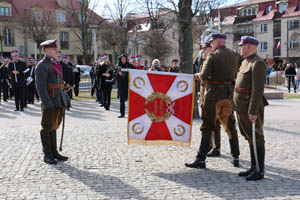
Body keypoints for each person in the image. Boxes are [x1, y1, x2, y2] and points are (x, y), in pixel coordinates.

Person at [185, 33, 240, 169]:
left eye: (212, 42)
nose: (211, 45)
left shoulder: (212, 56)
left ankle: (201, 159)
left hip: (213, 94)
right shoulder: (234, 55)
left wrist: (197, 75)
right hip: (228, 94)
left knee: (207, 126)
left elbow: (203, 76)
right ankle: (236, 156)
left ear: (216, 42)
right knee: (230, 125)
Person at [233, 36, 269, 181]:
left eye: (241, 46)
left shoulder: (258, 63)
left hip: (250, 106)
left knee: (257, 137)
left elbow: (257, 90)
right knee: (249, 136)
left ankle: (259, 170)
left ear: (249, 47)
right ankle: (254, 167)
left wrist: (253, 111)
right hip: (241, 105)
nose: (239, 48)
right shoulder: (245, 62)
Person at [35, 39, 68, 165]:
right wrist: (47, 103)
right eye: (54, 49)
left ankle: (54, 152)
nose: (56, 51)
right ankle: (47, 154)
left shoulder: (53, 64)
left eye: (56, 49)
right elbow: (40, 87)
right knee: (47, 127)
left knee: (54, 126)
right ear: (46, 50)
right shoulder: (42, 65)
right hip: (49, 100)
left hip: (57, 99)